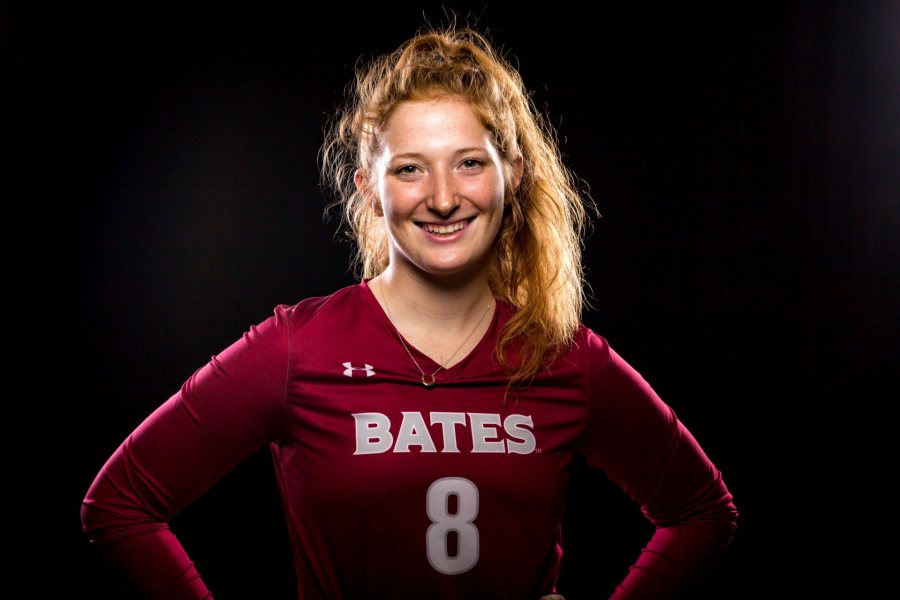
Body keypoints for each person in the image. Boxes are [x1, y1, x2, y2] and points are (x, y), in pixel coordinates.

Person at [81, 24, 738, 599]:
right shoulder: (296, 349)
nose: (444, 198)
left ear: (511, 174)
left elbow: (703, 511)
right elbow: (119, 503)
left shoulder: (565, 357)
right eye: (411, 170)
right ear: (368, 188)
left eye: (469, 164)